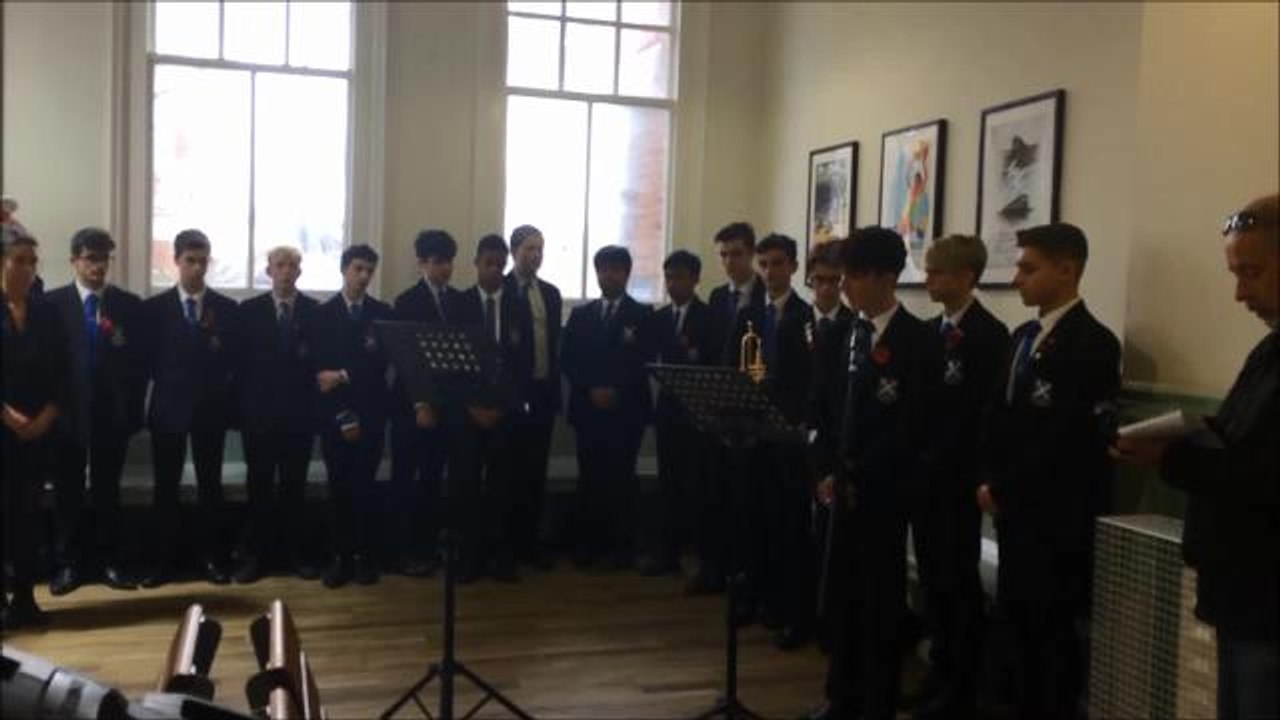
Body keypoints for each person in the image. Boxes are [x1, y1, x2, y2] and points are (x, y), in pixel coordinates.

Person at [1114, 193, 1278, 720]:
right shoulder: (1269, 349)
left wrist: (1170, 460)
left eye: (1250, 272)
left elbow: (1266, 476)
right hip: (1240, 589)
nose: (1238, 293)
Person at [977, 223, 1121, 720]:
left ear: (1067, 269)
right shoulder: (1023, 336)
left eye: (1028, 267)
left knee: (1051, 632)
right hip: (1013, 507)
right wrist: (990, 480)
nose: (1017, 278)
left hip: (1056, 515)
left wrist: (1007, 484)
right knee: (1015, 624)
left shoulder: (1093, 343)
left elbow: (1065, 437)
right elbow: (998, 416)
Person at [808, 227, 942, 720]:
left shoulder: (919, 342)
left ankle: (875, 701)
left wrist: (857, 476)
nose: (845, 288)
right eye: (844, 277)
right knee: (840, 599)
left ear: (887, 277)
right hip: (835, 491)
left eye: (856, 277)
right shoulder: (840, 333)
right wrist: (824, 471)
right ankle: (839, 693)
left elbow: (910, 425)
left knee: (878, 602)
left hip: (881, 493)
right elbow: (819, 410)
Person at [911, 234, 1009, 718]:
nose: (928, 280)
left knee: (957, 578)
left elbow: (980, 414)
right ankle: (941, 667)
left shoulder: (990, 336)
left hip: (958, 477)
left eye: (937, 272)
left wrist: (945, 458)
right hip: (926, 476)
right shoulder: (931, 332)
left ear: (966, 277)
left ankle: (963, 683)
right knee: (932, 577)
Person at [45, 228, 146, 596]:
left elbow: (139, 367)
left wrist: (132, 413)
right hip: (66, 416)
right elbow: (46, 364)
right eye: (90, 258)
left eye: (104, 258)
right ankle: (69, 564)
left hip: (110, 416)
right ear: (74, 260)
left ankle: (109, 561)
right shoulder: (52, 304)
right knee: (67, 491)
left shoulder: (129, 305)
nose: (97, 266)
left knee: (107, 491)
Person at [142, 229, 242, 587]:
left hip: (210, 408)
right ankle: (163, 561)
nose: (198, 268)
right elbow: (147, 360)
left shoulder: (227, 309)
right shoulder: (153, 309)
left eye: (203, 261)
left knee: (210, 486)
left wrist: (211, 346)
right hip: (168, 407)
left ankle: (212, 558)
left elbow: (233, 361)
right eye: (190, 261)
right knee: (165, 487)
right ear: (177, 260)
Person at [231, 246, 320, 584]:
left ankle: (296, 555)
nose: (286, 271)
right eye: (280, 265)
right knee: (260, 489)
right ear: (268, 271)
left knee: (294, 489)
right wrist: (245, 413)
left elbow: (316, 365)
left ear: (299, 272)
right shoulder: (249, 311)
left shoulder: (314, 311)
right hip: (259, 419)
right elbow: (239, 368)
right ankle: (258, 556)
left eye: (293, 265)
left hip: (299, 418)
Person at [561, 245, 654, 570]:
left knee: (621, 478)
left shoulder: (643, 316)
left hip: (626, 410)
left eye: (615, 269)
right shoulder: (581, 315)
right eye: (602, 269)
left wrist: (615, 390)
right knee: (590, 477)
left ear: (626, 274)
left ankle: (622, 546)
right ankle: (588, 543)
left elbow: (644, 362)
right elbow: (568, 359)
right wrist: (591, 389)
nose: (608, 275)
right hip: (588, 408)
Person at [314, 244, 393, 588]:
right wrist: (343, 416)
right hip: (335, 417)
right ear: (344, 269)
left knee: (365, 488)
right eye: (358, 269)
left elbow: (379, 366)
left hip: (372, 414)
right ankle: (338, 556)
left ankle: (364, 556)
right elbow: (320, 373)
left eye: (369, 271)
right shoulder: (322, 314)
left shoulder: (382, 313)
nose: (364, 277)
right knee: (339, 488)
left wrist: (344, 374)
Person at [2, 231, 68, 628]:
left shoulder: (47, 312)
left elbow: (64, 371)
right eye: (19, 260)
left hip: (37, 431)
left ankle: (25, 597)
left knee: (26, 518)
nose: (27, 269)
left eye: (32, 262)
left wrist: (48, 414)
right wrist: (6, 415)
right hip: (3, 426)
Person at [750, 233, 813, 645]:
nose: (769, 272)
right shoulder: (751, 314)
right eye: (764, 265)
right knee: (761, 521)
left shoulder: (806, 317)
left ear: (792, 267)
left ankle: (794, 610)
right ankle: (765, 600)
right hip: (756, 434)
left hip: (789, 436)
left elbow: (809, 382)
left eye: (777, 264)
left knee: (792, 526)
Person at [390, 229, 463, 576]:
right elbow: (407, 360)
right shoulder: (405, 302)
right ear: (421, 264)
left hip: (449, 406)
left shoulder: (461, 301)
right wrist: (421, 404)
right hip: (414, 407)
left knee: (436, 479)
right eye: (434, 262)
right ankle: (405, 550)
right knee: (408, 478)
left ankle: (432, 545)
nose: (442, 268)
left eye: (447, 261)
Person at [644, 249, 720, 581]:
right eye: (669, 277)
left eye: (681, 277)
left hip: (700, 413)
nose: (674, 283)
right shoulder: (658, 319)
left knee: (698, 485)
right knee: (668, 484)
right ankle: (667, 554)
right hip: (668, 411)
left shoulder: (711, 317)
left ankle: (702, 558)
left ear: (695, 279)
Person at [451, 234, 522, 583]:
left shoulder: (518, 305)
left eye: (500, 264)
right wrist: (470, 406)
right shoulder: (458, 305)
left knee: (502, 486)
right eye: (488, 263)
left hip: (505, 414)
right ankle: (469, 557)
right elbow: (448, 362)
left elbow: (523, 363)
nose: (494, 270)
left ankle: (500, 555)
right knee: (466, 486)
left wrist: (504, 407)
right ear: (476, 263)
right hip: (467, 413)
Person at [803, 239, 855, 651]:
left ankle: (829, 621)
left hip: (833, 446)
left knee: (829, 541)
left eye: (833, 281)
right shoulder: (796, 321)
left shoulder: (853, 326)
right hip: (796, 437)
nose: (825, 288)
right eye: (819, 280)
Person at [504, 224, 563, 571]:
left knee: (535, 472)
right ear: (514, 252)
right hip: (513, 398)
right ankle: (508, 545)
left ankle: (530, 543)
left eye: (539, 248)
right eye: (528, 248)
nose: (535, 255)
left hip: (543, 393)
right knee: (510, 472)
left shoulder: (552, 294)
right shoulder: (502, 291)